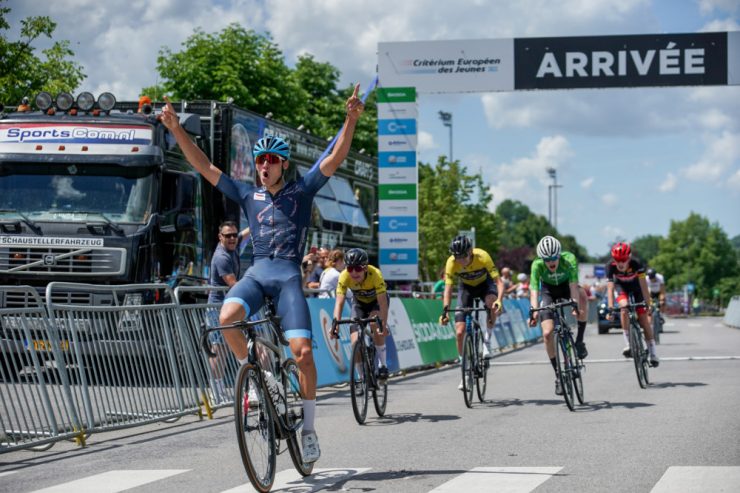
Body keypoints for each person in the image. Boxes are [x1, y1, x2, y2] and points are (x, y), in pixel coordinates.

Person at [158, 84, 365, 463]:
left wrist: (350, 120)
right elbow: (204, 166)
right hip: (256, 275)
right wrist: (176, 129)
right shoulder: (247, 194)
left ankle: (308, 430)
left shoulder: (301, 191)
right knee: (227, 317)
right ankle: (256, 378)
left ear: (283, 164)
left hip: (287, 278)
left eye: (271, 159)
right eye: (259, 160)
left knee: (302, 355)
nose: (264, 166)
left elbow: (334, 158)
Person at [439, 235, 504, 390]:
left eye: (463, 256)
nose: (460, 260)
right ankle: (465, 370)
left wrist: (499, 301)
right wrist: (445, 310)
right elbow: (448, 288)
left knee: (490, 303)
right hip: (466, 289)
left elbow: (499, 282)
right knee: (460, 332)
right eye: (457, 257)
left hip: (485, 285)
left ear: (470, 252)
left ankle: (487, 340)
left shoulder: (482, 256)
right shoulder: (451, 262)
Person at [528, 236, 590, 396]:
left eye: (554, 258)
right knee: (548, 333)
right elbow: (534, 291)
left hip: (566, 287)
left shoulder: (569, 259)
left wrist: (574, 305)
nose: (551, 262)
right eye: (547, 259)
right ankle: (558, 375)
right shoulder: (537, 265)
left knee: (583, 296)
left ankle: (580, 341)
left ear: (559, 254)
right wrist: (533, 312)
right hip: (548, 291)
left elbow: (574, 286)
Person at [330, 248, 390, 382]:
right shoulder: (344, 276)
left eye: (357, 268)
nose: (354, 272)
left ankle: (383, 365)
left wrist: (384, 324)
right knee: (355, 342)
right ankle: (361, 378)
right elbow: (339, 303)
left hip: (376, 303)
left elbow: (382, 302)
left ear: (365, 268)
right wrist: (335, 324)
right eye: (350, 268)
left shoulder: (375, 274)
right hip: (359, 304)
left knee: (375, 323)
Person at [206, 221, 250, 402]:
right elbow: (232, 283)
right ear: (220, 237)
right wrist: (254, 286)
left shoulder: (233, 243)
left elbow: (245, 233)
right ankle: (215, 391)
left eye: (234, 235)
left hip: (227, 307)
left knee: (227, 347)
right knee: (219, 350)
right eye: (228, 236)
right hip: (217, 308)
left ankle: (220, 389)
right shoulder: (222, 257)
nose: (233, 238)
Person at [605, 242, 659, 367]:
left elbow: (644, 285)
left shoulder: (637, 264)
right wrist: (610, 309)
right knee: (624, 308)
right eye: (617, 260)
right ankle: (629, 344)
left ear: (628, 258)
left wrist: (648, 303)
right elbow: (610, 288)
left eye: (623, 260)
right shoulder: (610, 266)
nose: (621, 263)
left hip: (637, 289)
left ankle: (653, 353)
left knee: (644, 320)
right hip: (621, 288)